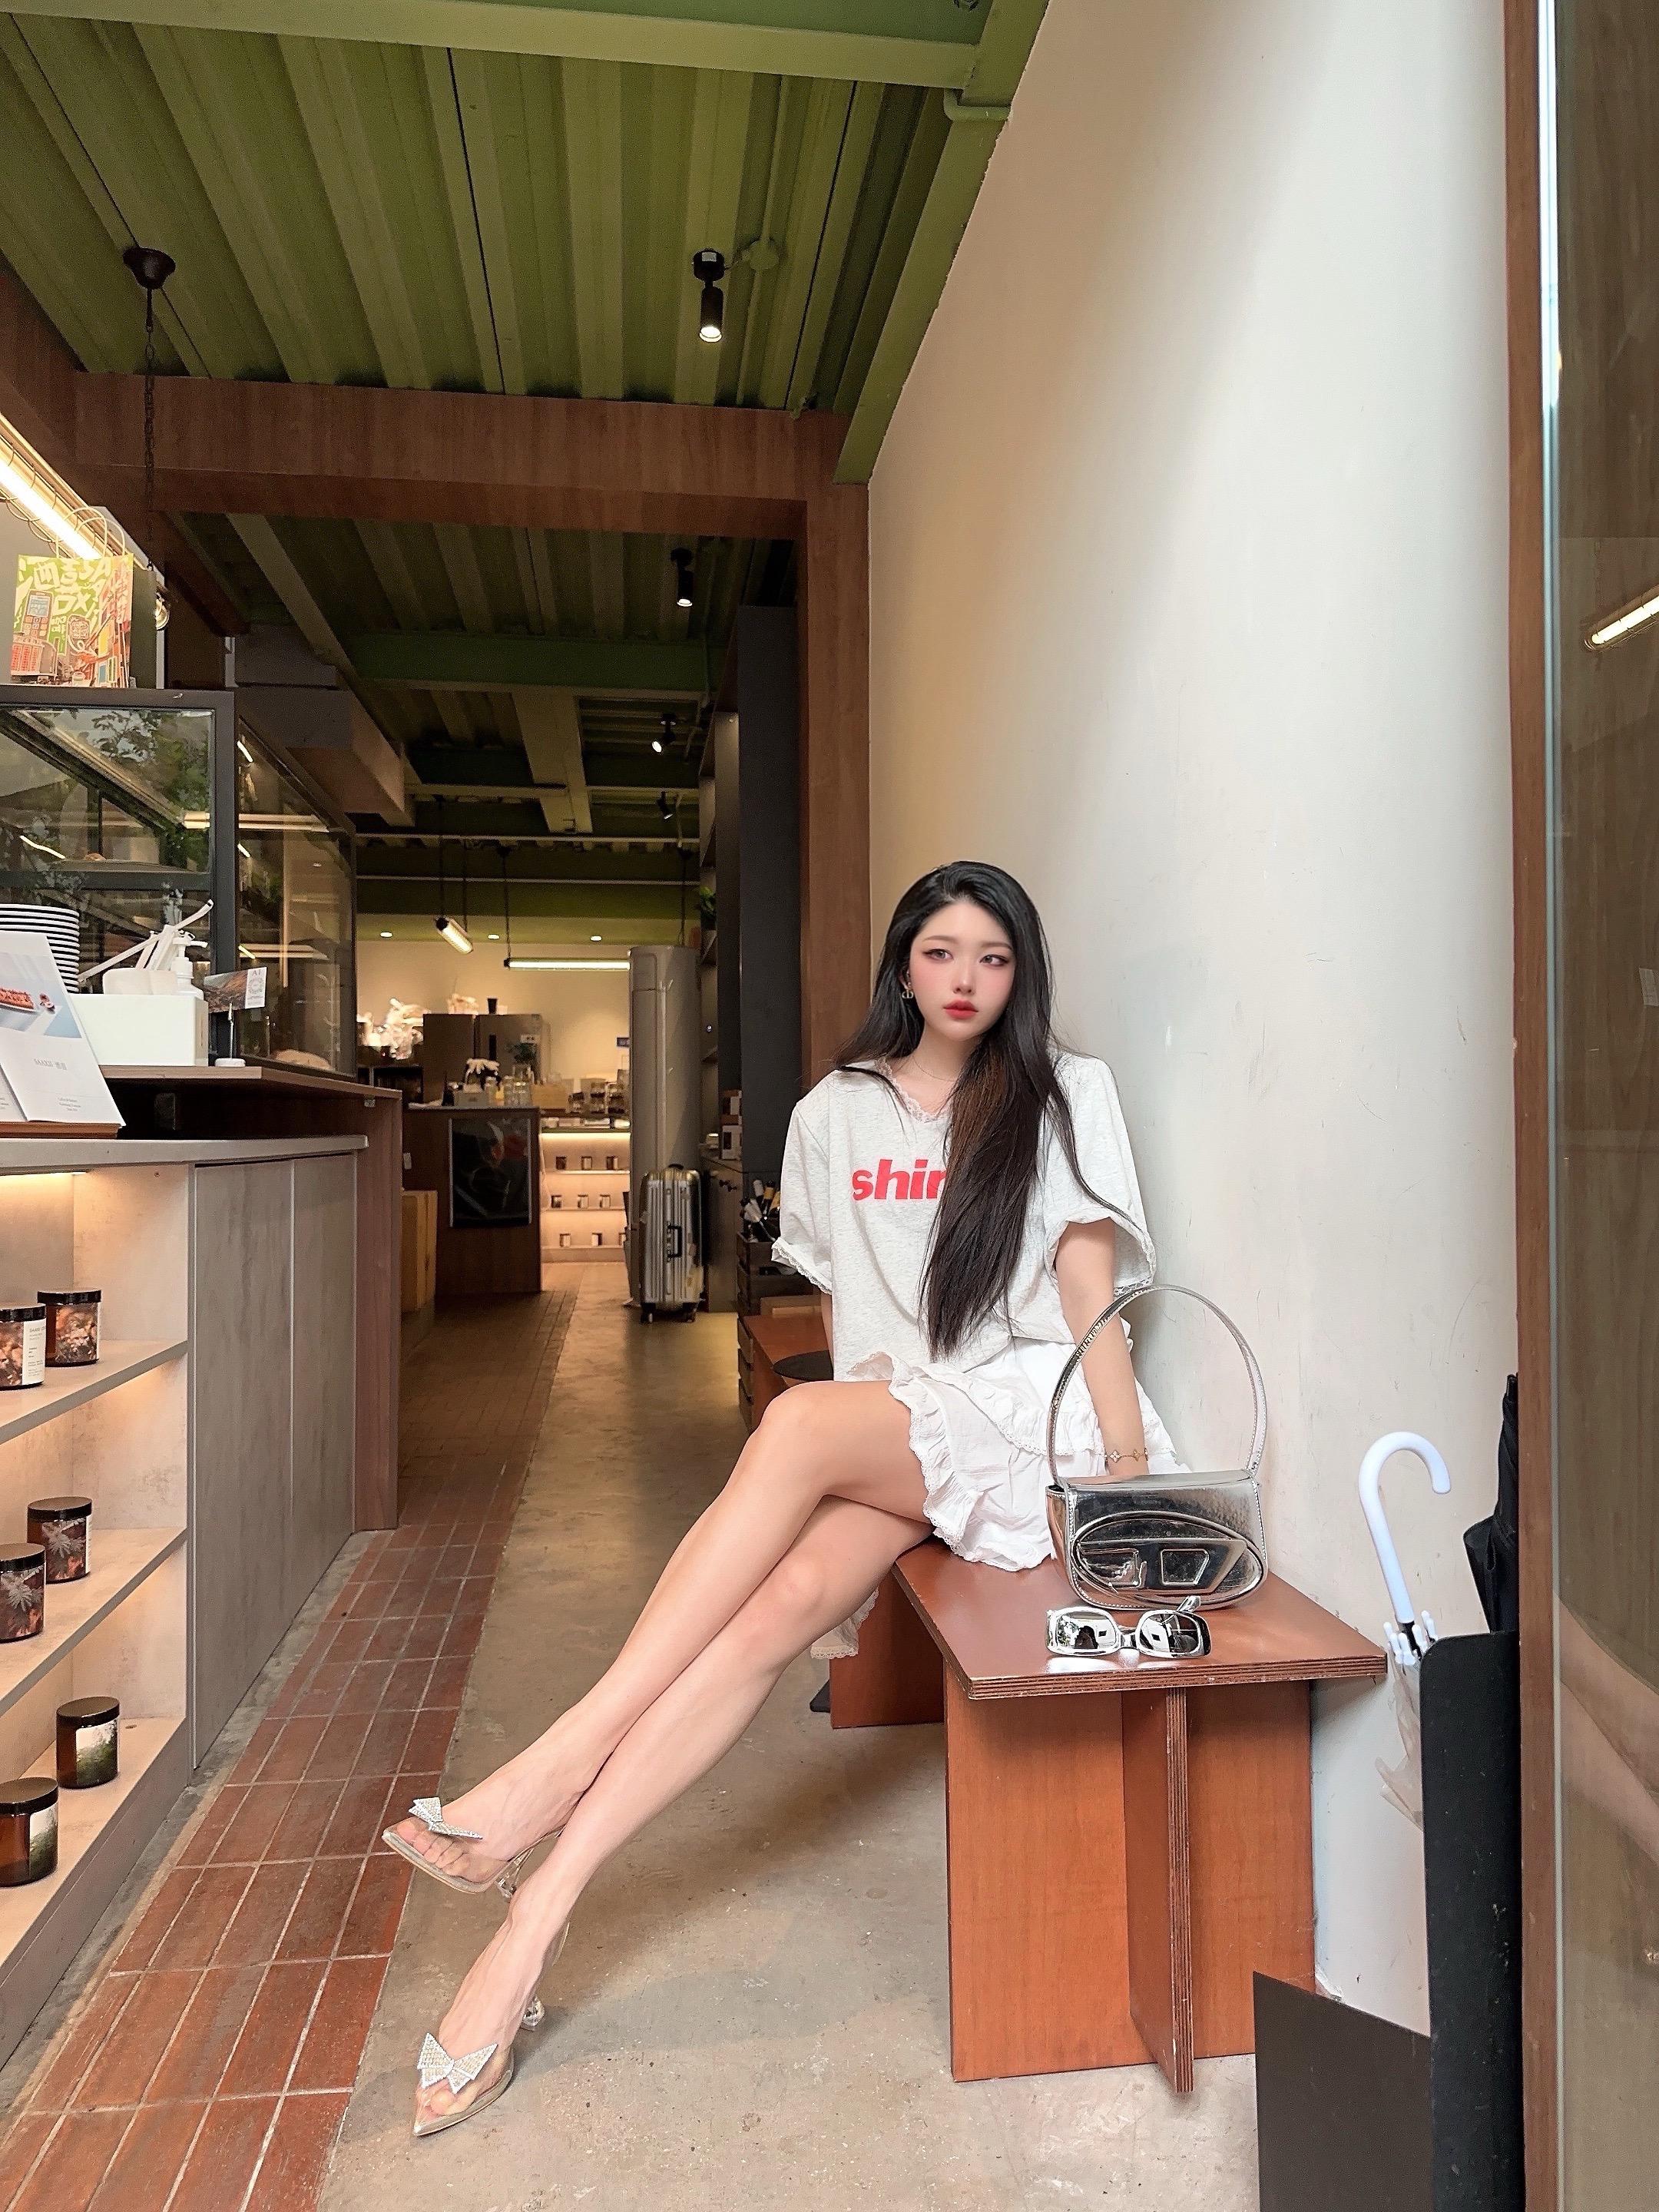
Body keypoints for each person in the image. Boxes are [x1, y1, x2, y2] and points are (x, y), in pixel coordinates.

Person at [387, 858, 1181, 2137]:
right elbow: (861, 1313)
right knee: (772, 1610)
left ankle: (558, 1760)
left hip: (1040, 1419)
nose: (967, 980)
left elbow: (1089, 1295)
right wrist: (879, 1426)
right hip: (914, 1426)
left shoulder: (1063, 1091)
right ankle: (531, 1920)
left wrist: (1125, 1479)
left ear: (1020, 974)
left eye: (994, 958)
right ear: (902, 963)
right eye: (942, 952)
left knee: (799, 1422)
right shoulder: (834, 1115)